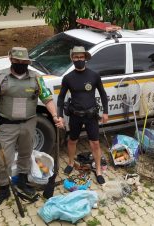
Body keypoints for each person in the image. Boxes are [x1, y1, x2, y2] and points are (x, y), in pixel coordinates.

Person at [0, 47, 63, 208]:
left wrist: (55, 116)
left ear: (28, 62)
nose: (20, 64)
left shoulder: (36, 78)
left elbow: (47, 99)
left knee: (26, 154)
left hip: (29, 123)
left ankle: (23, 181)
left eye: (24, 62)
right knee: (3, 159)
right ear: (10, 59)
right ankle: (4, 189)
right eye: (17, 61)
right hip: (6, 125)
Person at [57, 46, 108, 184]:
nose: (79, 59)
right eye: (76, 57)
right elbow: (61, 98)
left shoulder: (94, 75)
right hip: (75, 115)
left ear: (85, 58)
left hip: (91, 115)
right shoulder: (68, 78)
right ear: (72, 59)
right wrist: (59, 115)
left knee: (95, 143)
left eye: (81, 57)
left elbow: (103, 94)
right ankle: (70, 163)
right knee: (72, 140)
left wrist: (106, 112)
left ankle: (98, 170)